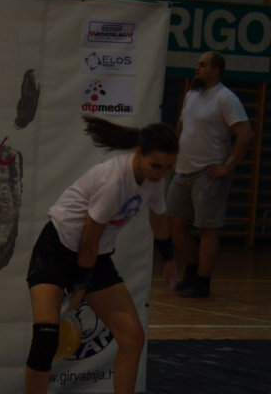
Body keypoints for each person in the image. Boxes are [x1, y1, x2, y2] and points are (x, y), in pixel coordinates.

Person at [24, 116, 179, 394]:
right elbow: (88, 241)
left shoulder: (153, 180)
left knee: (132, 338)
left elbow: (158, 218)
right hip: (57, 248)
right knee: (46, 337)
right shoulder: (113, 181)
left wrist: (168, 258)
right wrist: (80, 288)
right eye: (156, 165)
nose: (161, 174)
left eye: (168, 167)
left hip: (95, 255)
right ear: (139, 153)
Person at [166, 51, 254, 298]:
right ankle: (192, 271)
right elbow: (181, 125)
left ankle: (203, 283)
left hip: (209, 172)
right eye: (197, 64)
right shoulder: (192, 94)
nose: (197, 68)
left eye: (202, 65)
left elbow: (246, 134)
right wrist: (173, 153)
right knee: (174, 224)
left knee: (207, 228)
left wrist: (227, 166)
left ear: (215, 71)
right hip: (182, 170)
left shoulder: (226, 98)